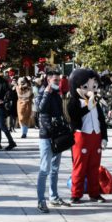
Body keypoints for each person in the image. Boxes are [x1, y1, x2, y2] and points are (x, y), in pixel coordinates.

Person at [66, 68, 107, 203]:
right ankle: (76, 194)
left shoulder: (96, 103)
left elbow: (101, 120)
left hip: (96, 136)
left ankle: (94, 193)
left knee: (94, 167)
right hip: (81, 136)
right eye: (86, 87)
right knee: (79, 166)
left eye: (93, 86)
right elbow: (74, 117)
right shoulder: (74, 102)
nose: (90, 90)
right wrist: (87, 108)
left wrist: (104, 137)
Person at [36, 71, 70, 212]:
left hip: (57, 135)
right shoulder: (42, 93)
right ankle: (41, 201)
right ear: (48, 80)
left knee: (55, 169)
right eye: (55, 80)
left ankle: (54, 197)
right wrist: (47, 94)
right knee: (44, 169)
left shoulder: (57, 94)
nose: (58, 82)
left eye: (59, 80)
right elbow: (40, 109)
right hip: (46, 136)